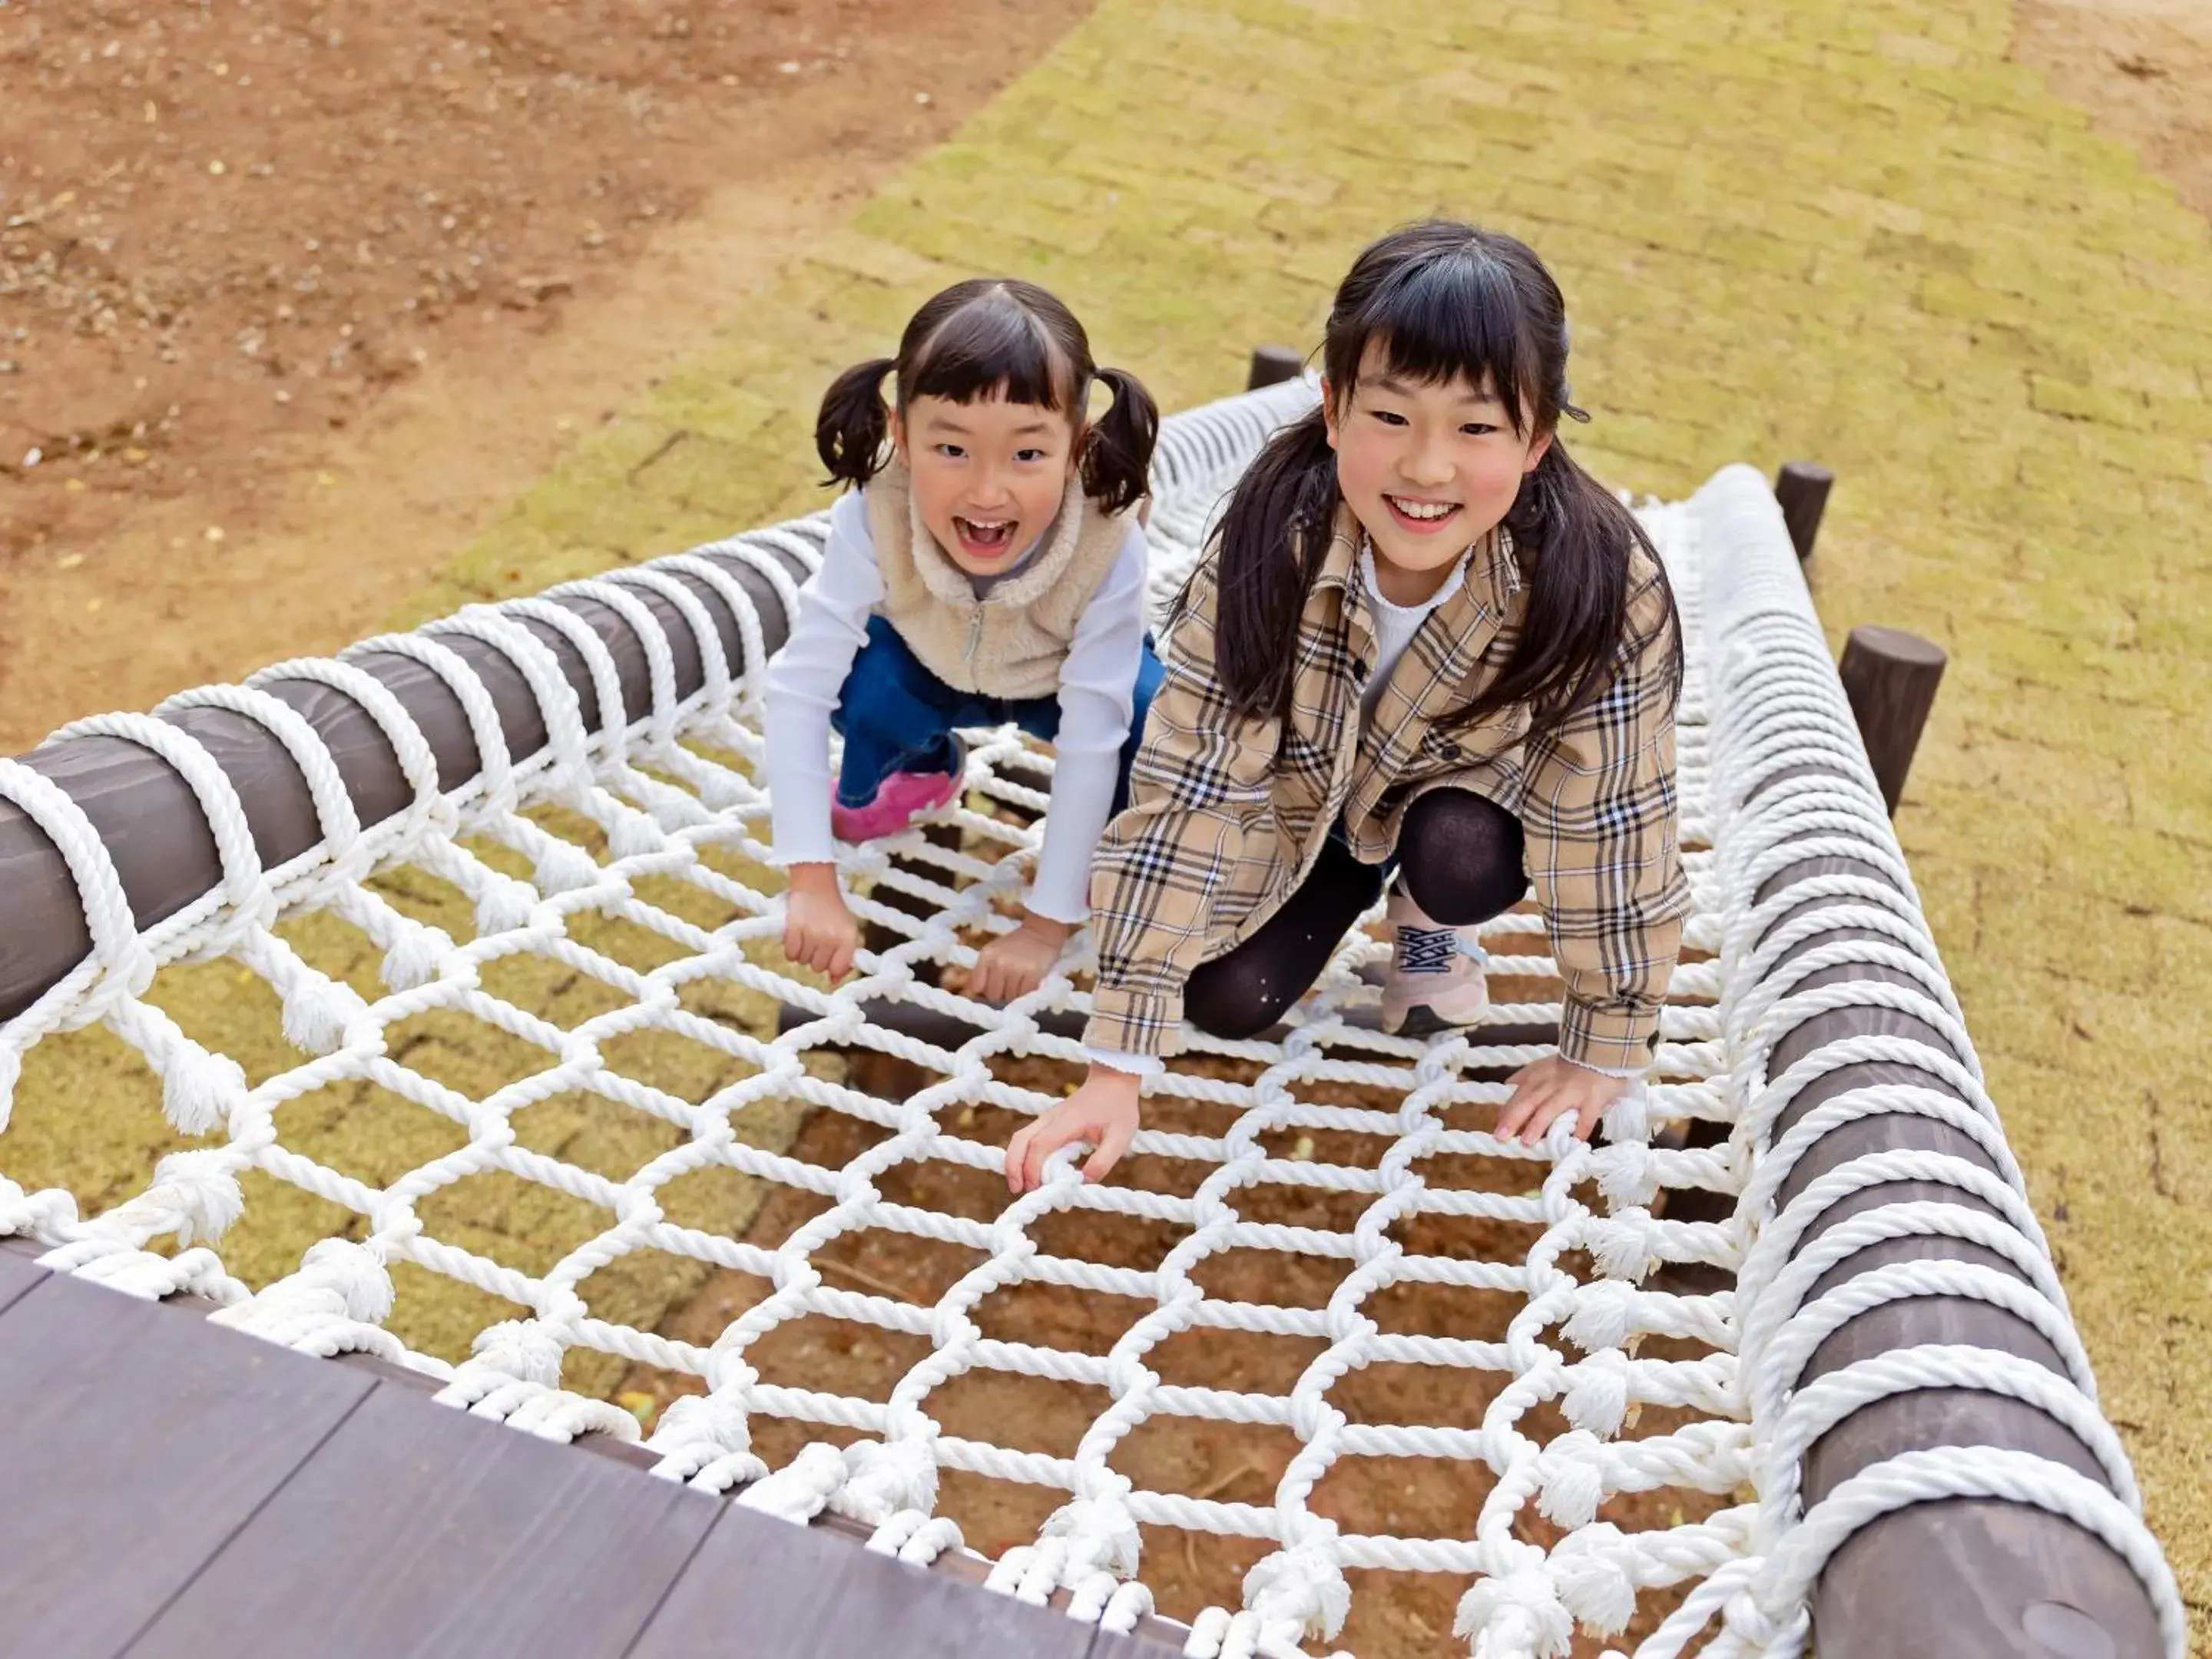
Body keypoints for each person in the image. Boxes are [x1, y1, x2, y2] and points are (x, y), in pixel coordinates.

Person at [1006, 220, 1689, 1192]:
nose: (1427, 467)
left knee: (1456, 855)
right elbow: (1196, 783)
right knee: (1229, 998)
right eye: (1392, 417)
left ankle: (1429, 914)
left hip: (1472, 806)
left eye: (1478, 427)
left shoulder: (1600, 588)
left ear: (1538, 439)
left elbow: (1614, 823)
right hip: (1311, 802)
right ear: (1332, 412)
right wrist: (1116, 1064)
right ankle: (1355, 889)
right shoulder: (1270, 541)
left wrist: (1601, 1044)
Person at [765, 278, 1164, 1003]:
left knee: (1150, 714)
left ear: (1077, 447)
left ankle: (1115, 848)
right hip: (929, 662)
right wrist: (812, 881)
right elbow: (801, 685)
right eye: (951, 447)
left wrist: (1045, 925)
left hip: (1056, 680)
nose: (987, 491)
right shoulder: (875, 509)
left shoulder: (1110, 536)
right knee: (865, 683)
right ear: (901, 436)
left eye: (1027, 456)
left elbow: (1091, 733)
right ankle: (922, 767)